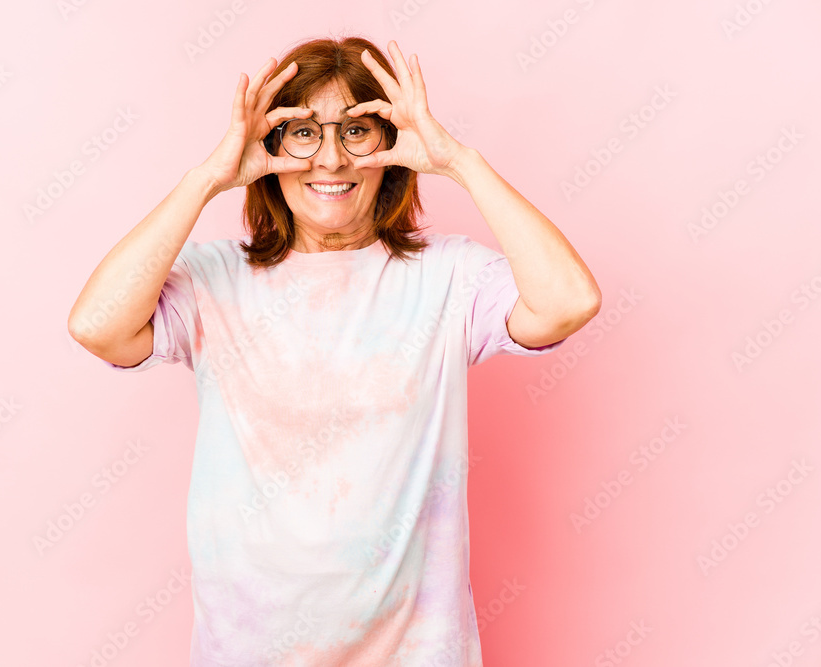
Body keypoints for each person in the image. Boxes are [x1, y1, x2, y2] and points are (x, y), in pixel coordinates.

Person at [69, 35, 600, 666]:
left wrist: (458, 161)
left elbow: (568, 301)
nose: (331, 158)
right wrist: (206, 179)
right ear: (269, 149)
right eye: (303, 133)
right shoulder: (215, 279)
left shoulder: (449, 276)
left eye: (356, 131)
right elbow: (98, 325)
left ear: (391, 149)